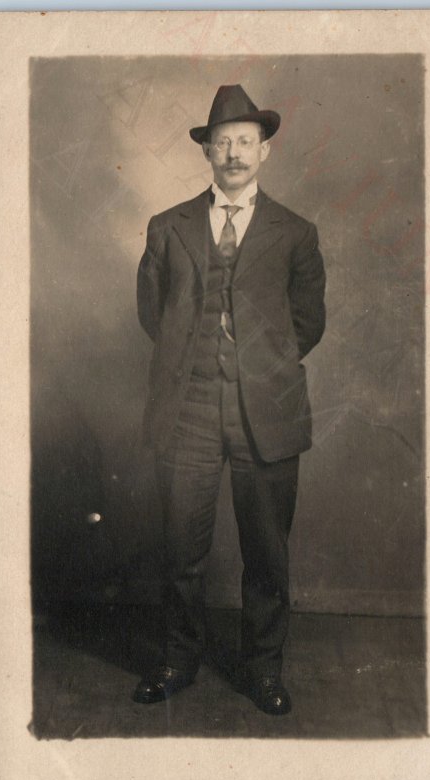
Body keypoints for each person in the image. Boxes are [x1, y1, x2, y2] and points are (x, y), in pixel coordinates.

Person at [134, 84, 326, 715]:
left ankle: (264, 671)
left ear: (264, 152)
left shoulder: (296, 232)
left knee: (267, 556)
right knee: (181, 553)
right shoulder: (168, 226)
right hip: (186, 411)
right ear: (208, 154)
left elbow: (308, 323)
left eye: (246, 141)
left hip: (264, 414)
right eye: (223, 143)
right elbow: (152, 313)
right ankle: (176, 661)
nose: (235, 153)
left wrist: (256, 365)